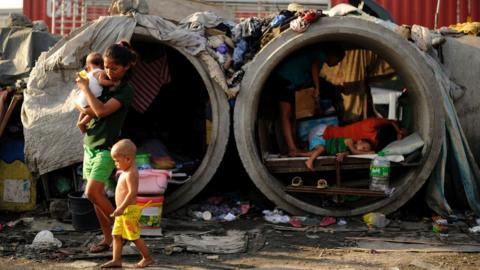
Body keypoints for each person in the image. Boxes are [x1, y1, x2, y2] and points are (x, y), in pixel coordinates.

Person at [75, 40, 136, 253]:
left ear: (127, 66)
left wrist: (85, 90)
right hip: (90, 144)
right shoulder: (101, 82)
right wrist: (86, 103)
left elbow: (100, 111)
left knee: (93, 193)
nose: (109, 71)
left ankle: (123, 231)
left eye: (114, 68)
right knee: (96, 197)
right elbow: (81, 104)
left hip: (106, 148)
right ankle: (108, 239)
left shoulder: (125, 91)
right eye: (107, 66)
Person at [275, 45, 345, 157]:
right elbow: (314, 67)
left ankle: (293, 146)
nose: (337, 64)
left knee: (293, 115)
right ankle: (292, 149)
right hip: (285, 80)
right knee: (286, 114)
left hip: (292, 83)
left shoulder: (317, 55)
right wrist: (317, 88)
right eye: (338, 60)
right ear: (333, 55)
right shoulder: (320, 54)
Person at [101, 139, 153, 268]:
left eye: (117, 161)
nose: (115, 164)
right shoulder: (125, 171)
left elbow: (132, 193)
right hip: (122, 211)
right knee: (116, 235)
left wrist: (121, 208)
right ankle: (116, 260)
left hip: (128, 211)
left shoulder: (131, 173)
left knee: (134, 236)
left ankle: (147, 258)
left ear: (128, 159)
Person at [76, 52, 115, 133]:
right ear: (102, 64)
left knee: (83, 109)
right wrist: (113, 83)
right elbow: (102, 81)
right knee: (93, 111)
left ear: (88, 67)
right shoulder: (101, 72)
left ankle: (79, 122)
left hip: (82, 97)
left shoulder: (88, 74)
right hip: (92, 97)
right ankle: (82, 123)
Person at [305, 134, 374, 170]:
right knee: (321, 149)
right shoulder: (350, 141)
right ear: (359, 141)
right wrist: (369, 153)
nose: (363, 150)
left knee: (317, 152)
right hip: (320, 141)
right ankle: (309, 161)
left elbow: (346, 153)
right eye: (364, 147)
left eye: (365, 150)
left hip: (324, 149)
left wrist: (341, 155)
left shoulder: (349, 152)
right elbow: (354, 151)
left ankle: (296, 153)